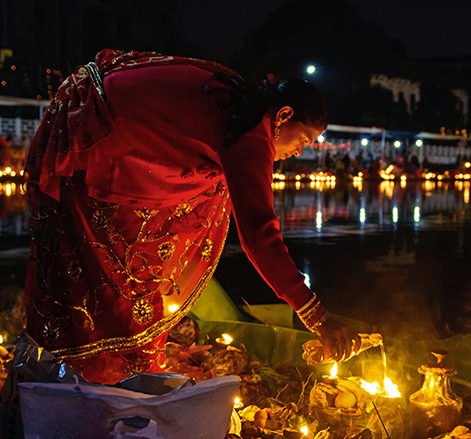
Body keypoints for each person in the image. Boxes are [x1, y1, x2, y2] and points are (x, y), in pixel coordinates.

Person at [23, 49, 360, 384]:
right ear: (284, 115)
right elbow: (260, 234)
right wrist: (316, 315)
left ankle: (107, 356)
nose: (299, 152)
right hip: (87, 149)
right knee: (109, 282)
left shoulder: (234, 97)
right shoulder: (252, 134)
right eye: (303, 140)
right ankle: (109, 367)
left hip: (89, 127)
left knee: (214, 191)